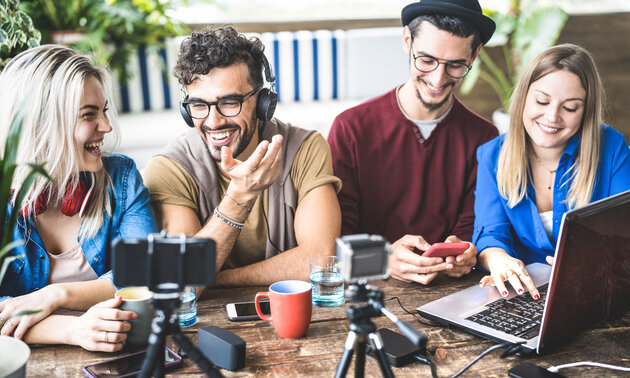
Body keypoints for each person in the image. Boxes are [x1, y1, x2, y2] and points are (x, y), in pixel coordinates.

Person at [143, 26, 341, 287]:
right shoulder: (168, 169)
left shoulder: (305, 148)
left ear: (263, 103)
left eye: (229, 103)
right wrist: (239, 196)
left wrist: (218, 279)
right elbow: (184, 282)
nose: (213, 122)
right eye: (199, 105)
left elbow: (320, 260)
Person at [327, 0, 499, 285]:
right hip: (367, 288)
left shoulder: (485, 138)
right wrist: (383, 258)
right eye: (427, 60)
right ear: (407, 40)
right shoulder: (351, 129)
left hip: (452, 291)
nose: (437, 78)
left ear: (474, 55)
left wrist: (467, 252)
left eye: (455, 65)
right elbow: (335, 236)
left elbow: (476, 228)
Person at [0, 45, 158, 351]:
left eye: (105, 110)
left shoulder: (122, 177)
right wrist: (71, 329)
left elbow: (146, 271)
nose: (107, 127)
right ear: (42, 125)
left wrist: (56, 295)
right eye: (89, 115)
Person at [474, 44, 630, 299]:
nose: (552, 117)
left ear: (586, 111)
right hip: (523, 292)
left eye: (569, 108)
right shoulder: (492, 155)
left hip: (596, 291)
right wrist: (499, 259)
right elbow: (490, 233)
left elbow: (625, 235)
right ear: (523, 96)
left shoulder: (611, 148)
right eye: (542, 101)